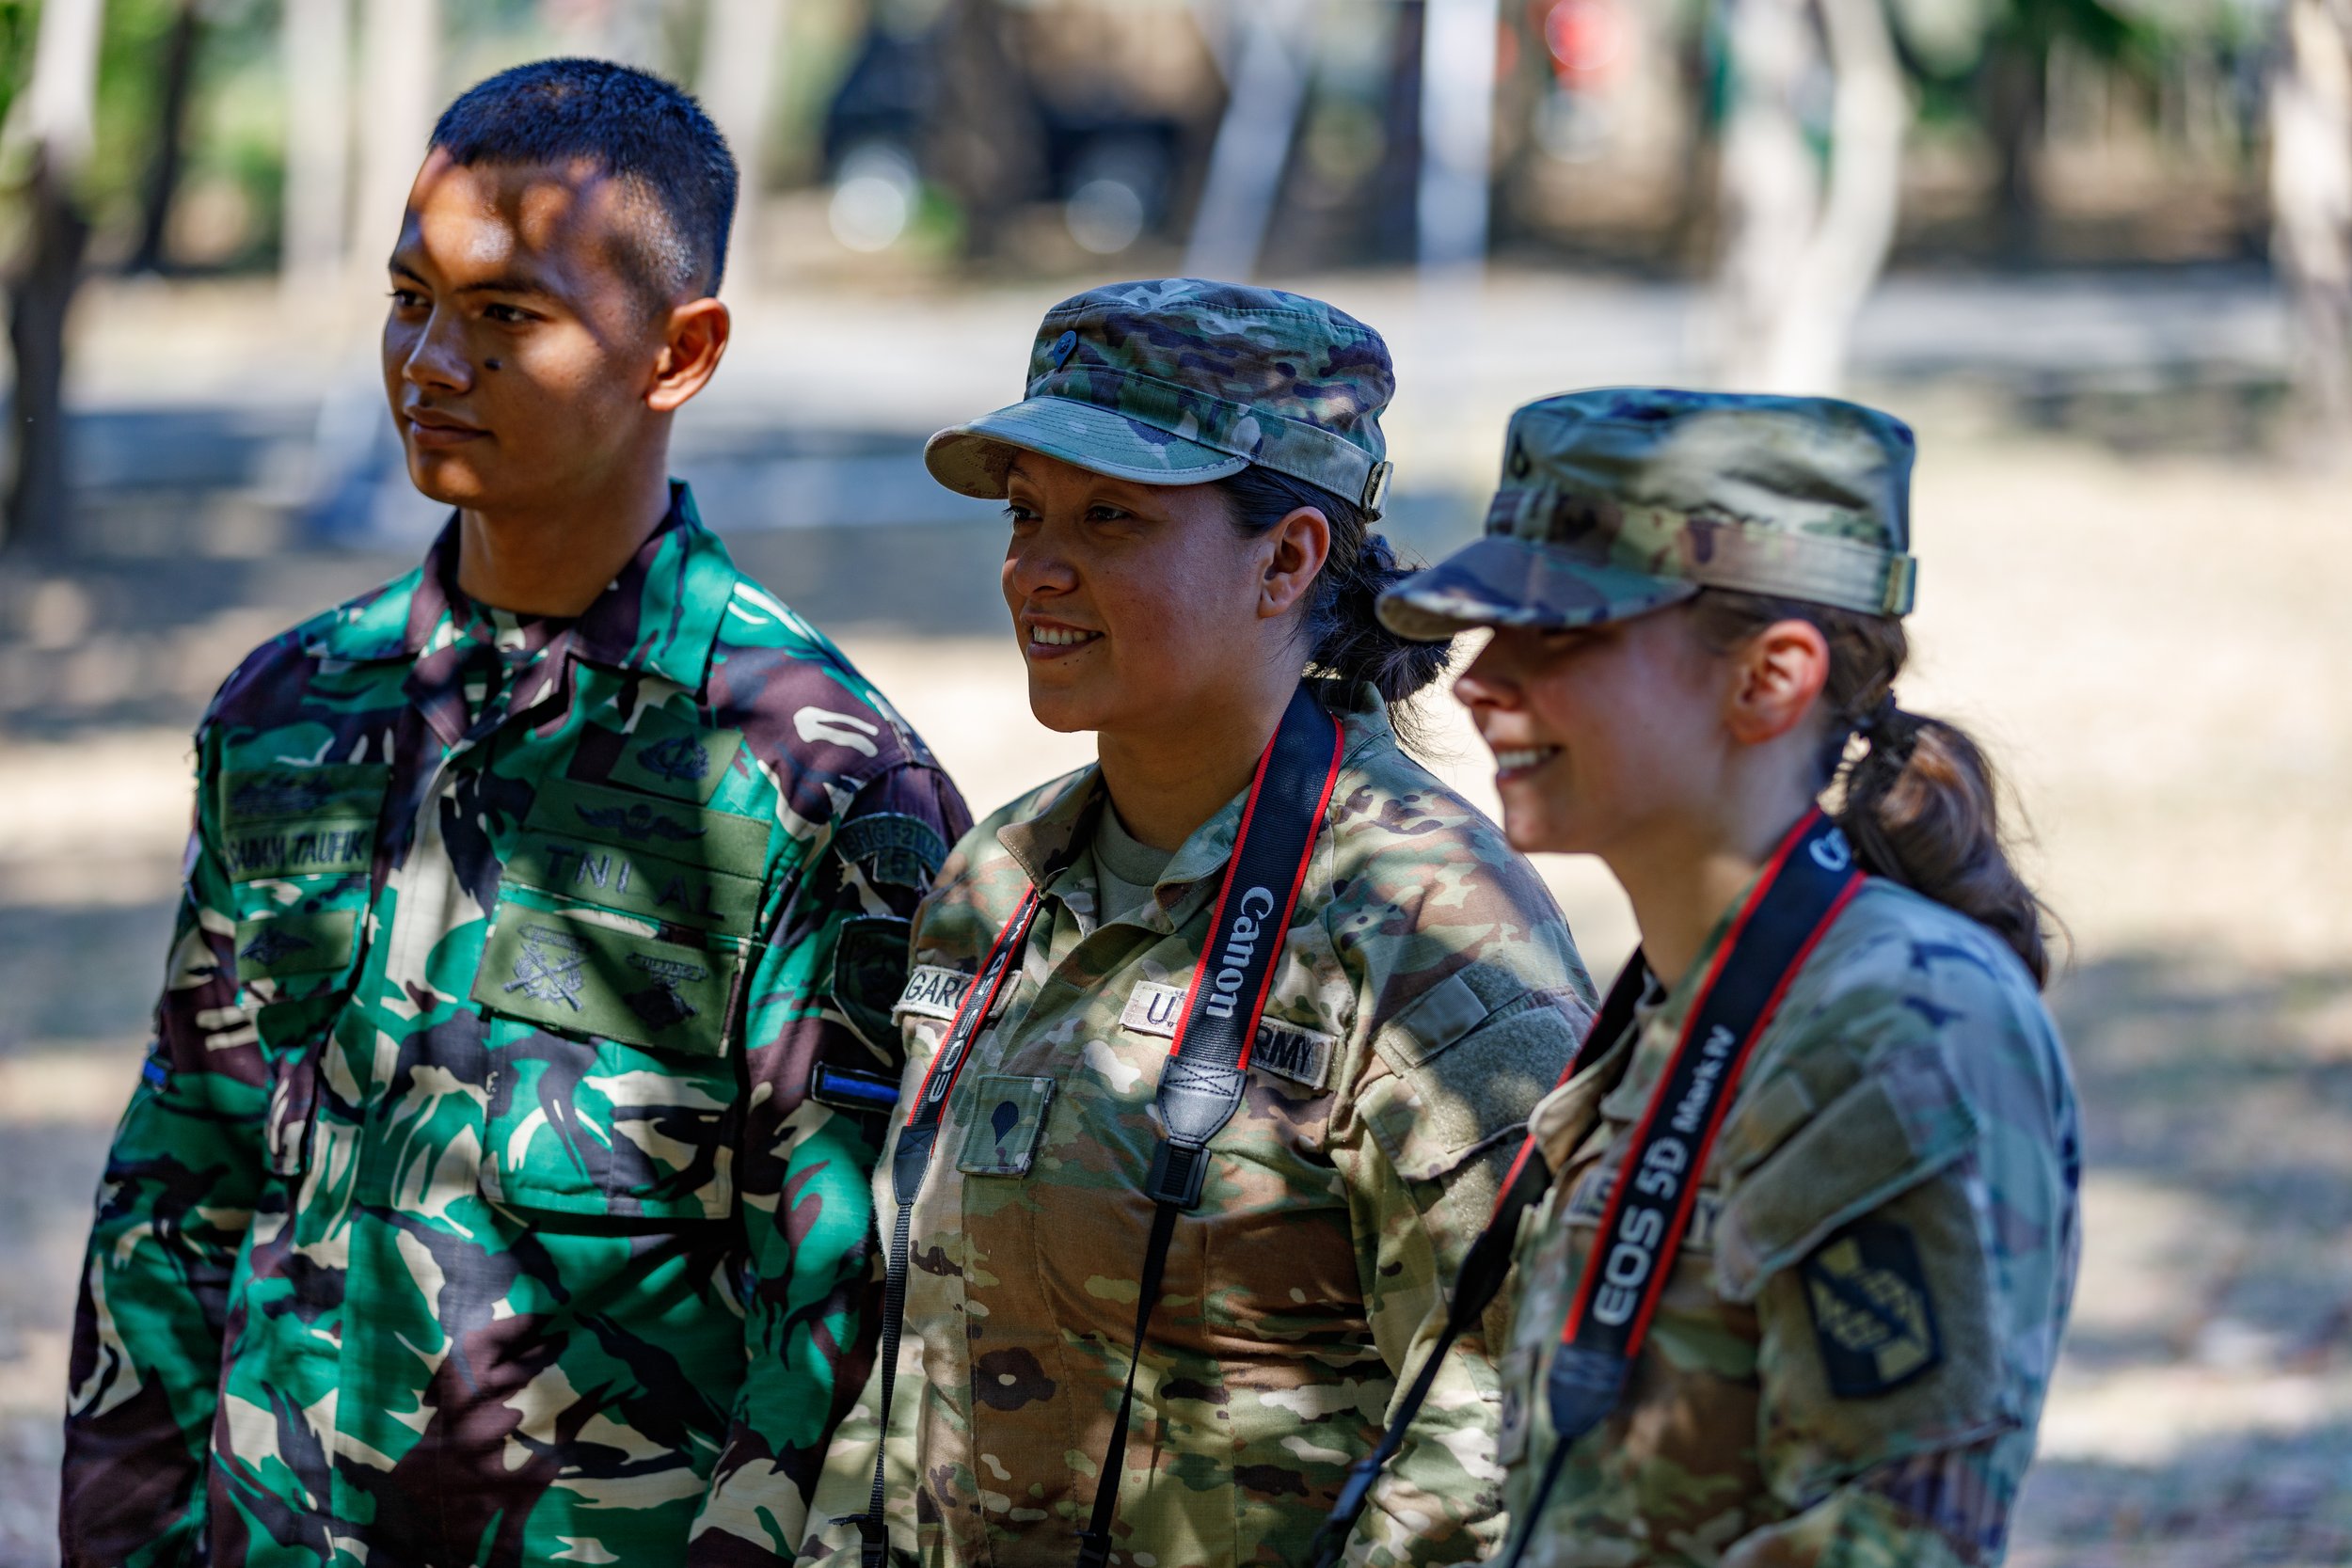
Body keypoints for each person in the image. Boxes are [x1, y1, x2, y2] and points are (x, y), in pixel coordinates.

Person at [60, 59, 967, 1568]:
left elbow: (843, 1308)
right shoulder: (294, 710)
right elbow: (184, 1171)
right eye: (409, 295)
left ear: (679, 353)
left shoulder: (818, 782)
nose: (427, 357)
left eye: (506, 318)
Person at [791, 279, 1597, 1568]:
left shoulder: (1427, 924)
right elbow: (916, 1342)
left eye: (1111, 516)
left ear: (1287, 560)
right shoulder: (997, 876)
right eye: (1027, 512)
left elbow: (1495, 1437)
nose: (1036, 567)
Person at [1364, 388, 2081, 1567]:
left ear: (1770, 678)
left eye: (1562, 633)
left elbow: (1885, 1540)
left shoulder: (1894, 1019)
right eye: (1489, 631)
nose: (1480, 682)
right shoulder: (1686, 992)